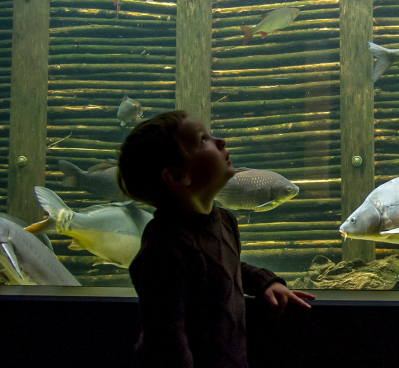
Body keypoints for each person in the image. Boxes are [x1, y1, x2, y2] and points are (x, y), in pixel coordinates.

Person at [117, 110, 314, 368]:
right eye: (203, 139)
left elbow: (222, 269)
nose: (220, 141)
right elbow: (166, 342)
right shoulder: (164, 247)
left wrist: (265, 283)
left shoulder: (224, 220)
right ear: (177, 176)